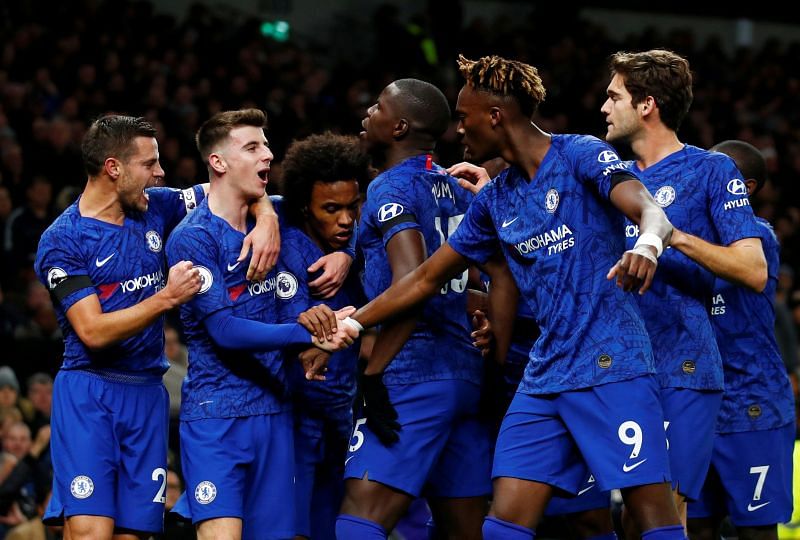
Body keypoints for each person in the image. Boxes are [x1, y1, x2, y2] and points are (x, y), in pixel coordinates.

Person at [342, 55, 686, 540]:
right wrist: (353, 324)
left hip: (613, 364)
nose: (458, 131)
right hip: (543, 376)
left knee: (651, 519)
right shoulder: (493, 199)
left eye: (464, 118)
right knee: (504, 527)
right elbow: (423, 280)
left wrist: (649, 245)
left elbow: (649, 209)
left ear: (495, 117)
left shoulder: (579, 154)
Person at [33, 114, 280, 540]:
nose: (161, 173)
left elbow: (236, 187)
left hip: (148, 392)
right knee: (91, 532)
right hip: (91, 392)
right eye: (150, 164)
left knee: (135, 535)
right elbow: (92, 330)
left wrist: (267, 219)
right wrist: (166, 297)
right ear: (114, 168)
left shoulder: (156, 206)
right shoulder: (64, 239)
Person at [165, 109, 357, 540]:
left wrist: (348, 254)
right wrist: (312, 334)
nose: (267, 154)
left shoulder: (280, 213)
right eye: (252, 147)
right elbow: (225, 331)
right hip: (216, 415)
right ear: (218, 163)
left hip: (276, 413)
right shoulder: (193, 236)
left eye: (266, 145)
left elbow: (352, 217)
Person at [336, 78, 512, 540]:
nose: (365, 114)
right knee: (464, 531)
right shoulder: (458, 187)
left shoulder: (390, 187)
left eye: (375, 107)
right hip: (466, 376)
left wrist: (373, 373)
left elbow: (414, 282)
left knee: (359, 518)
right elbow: (482, 280)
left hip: (411, 370)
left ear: (397, 127)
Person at [600, 50, 767, 530]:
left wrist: (670, 236)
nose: (604, 109)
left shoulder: (710, 171)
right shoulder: (607, 176)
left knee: (663, 514)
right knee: (619, 518)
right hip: (612, 367)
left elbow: (753, 269)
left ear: (647, 104)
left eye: (614, 97)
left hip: (681, 367)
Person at [686, 141, 794, 540]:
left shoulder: (760, 238)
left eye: (718, 170)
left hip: (752, 405)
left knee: (756, 532)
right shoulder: (687, 228)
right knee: (694, 526)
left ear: (744, 187)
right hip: (695, 401)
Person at [275, 132, 371, 539]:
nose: (345, 219)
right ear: (304, 208)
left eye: (351, 207)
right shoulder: (286, 248)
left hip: (342, 418)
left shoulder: (361, 244)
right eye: (331, 209)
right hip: (295, 418)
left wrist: (349, 256)